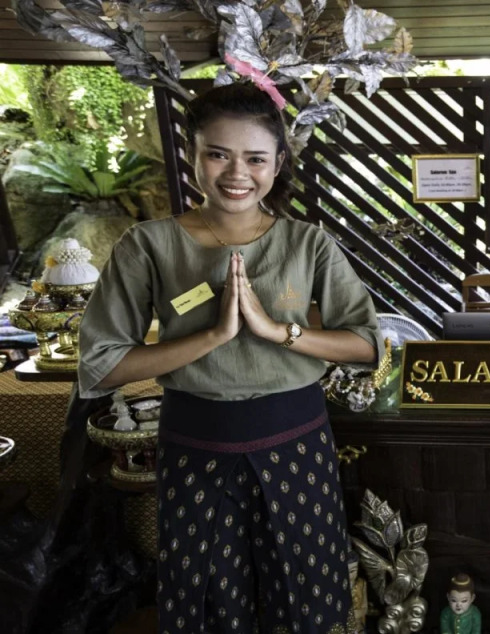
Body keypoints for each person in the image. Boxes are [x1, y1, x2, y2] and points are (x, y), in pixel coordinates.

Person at [77, 82, 384, 634]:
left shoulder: (308, 243)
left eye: (255, 158)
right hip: (196, 441)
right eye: (218, 154)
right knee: (208, 595)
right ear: (191, 156)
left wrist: (275, 331)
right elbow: (102, 365)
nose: (237, 173)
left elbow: (365, 344)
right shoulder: (147, 245)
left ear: (278, 163)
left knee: (304, 596)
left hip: (295, 438)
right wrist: (214, 336)